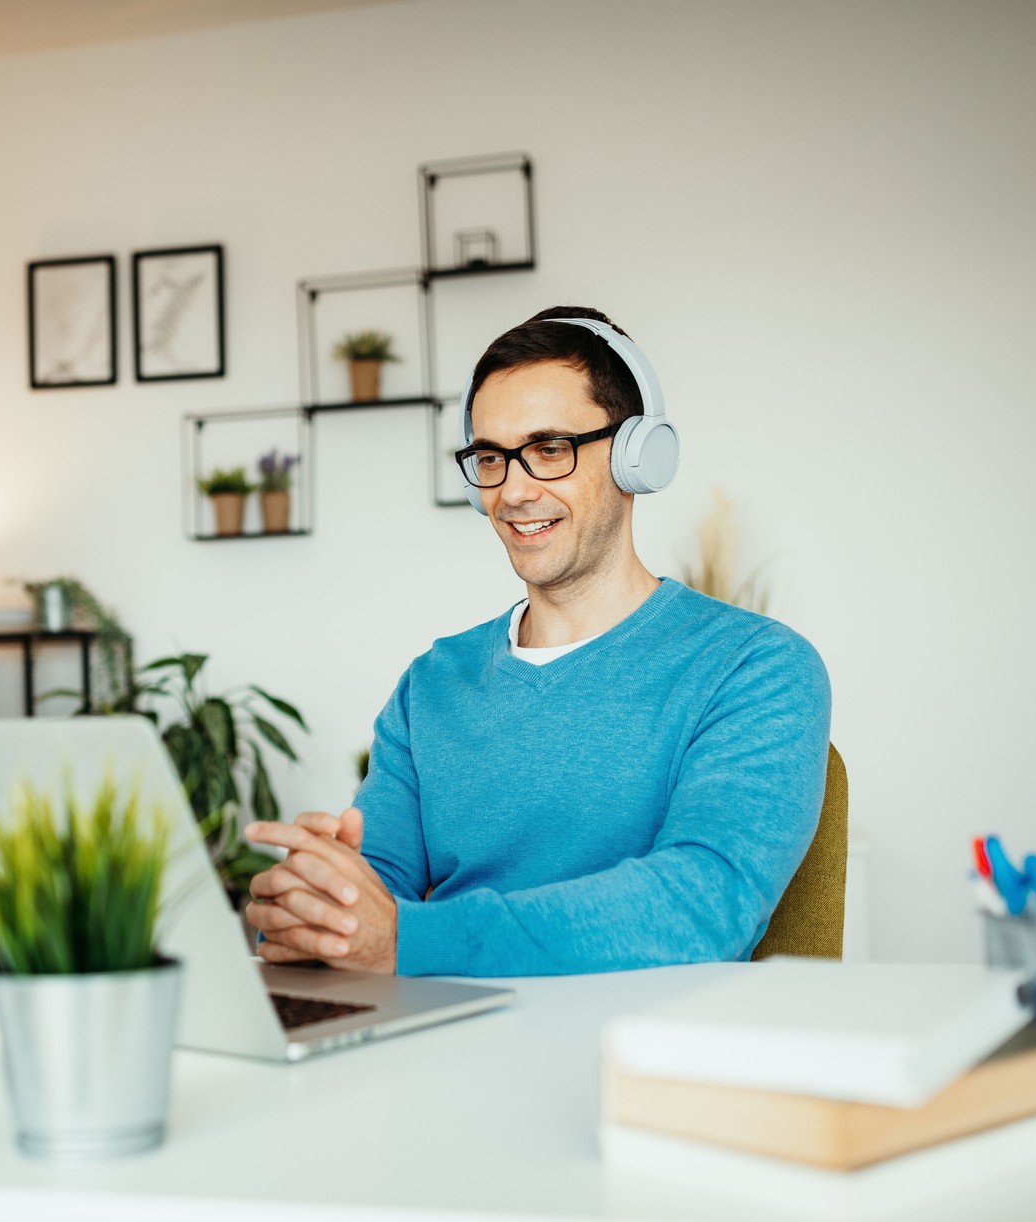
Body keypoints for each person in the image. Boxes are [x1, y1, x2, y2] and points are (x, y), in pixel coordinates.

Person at [243, 305, 832, 976]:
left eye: (550, 449)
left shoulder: (755, 667)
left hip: (637, 1060)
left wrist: (410, 940)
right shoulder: (434, 682)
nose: (514, 491)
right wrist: (321, 904)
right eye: (492, 458)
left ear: (637, 455)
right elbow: (374, 901)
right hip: (441, 1052)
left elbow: (701, 908)